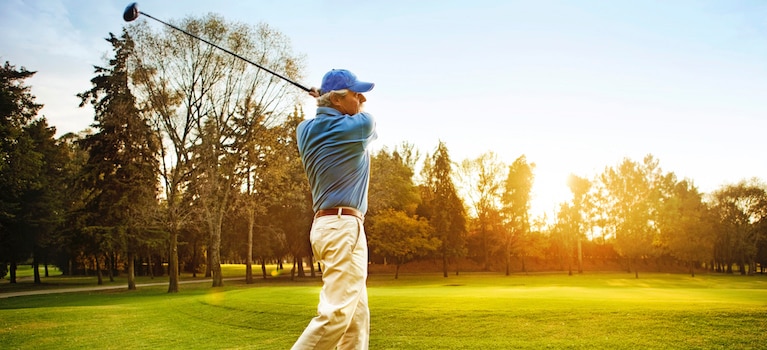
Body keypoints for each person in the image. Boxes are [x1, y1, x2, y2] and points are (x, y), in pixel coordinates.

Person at [292, 69, 377, 350]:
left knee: (356, 318)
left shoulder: (304, 130)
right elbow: (365, 120)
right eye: (356, 94)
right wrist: (325, 99)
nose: (362, 99)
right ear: (339, 101)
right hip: (342, 227)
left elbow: (327, 116)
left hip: (330, 227)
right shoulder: (358, 126)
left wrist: (325, 102)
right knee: (336, 314)